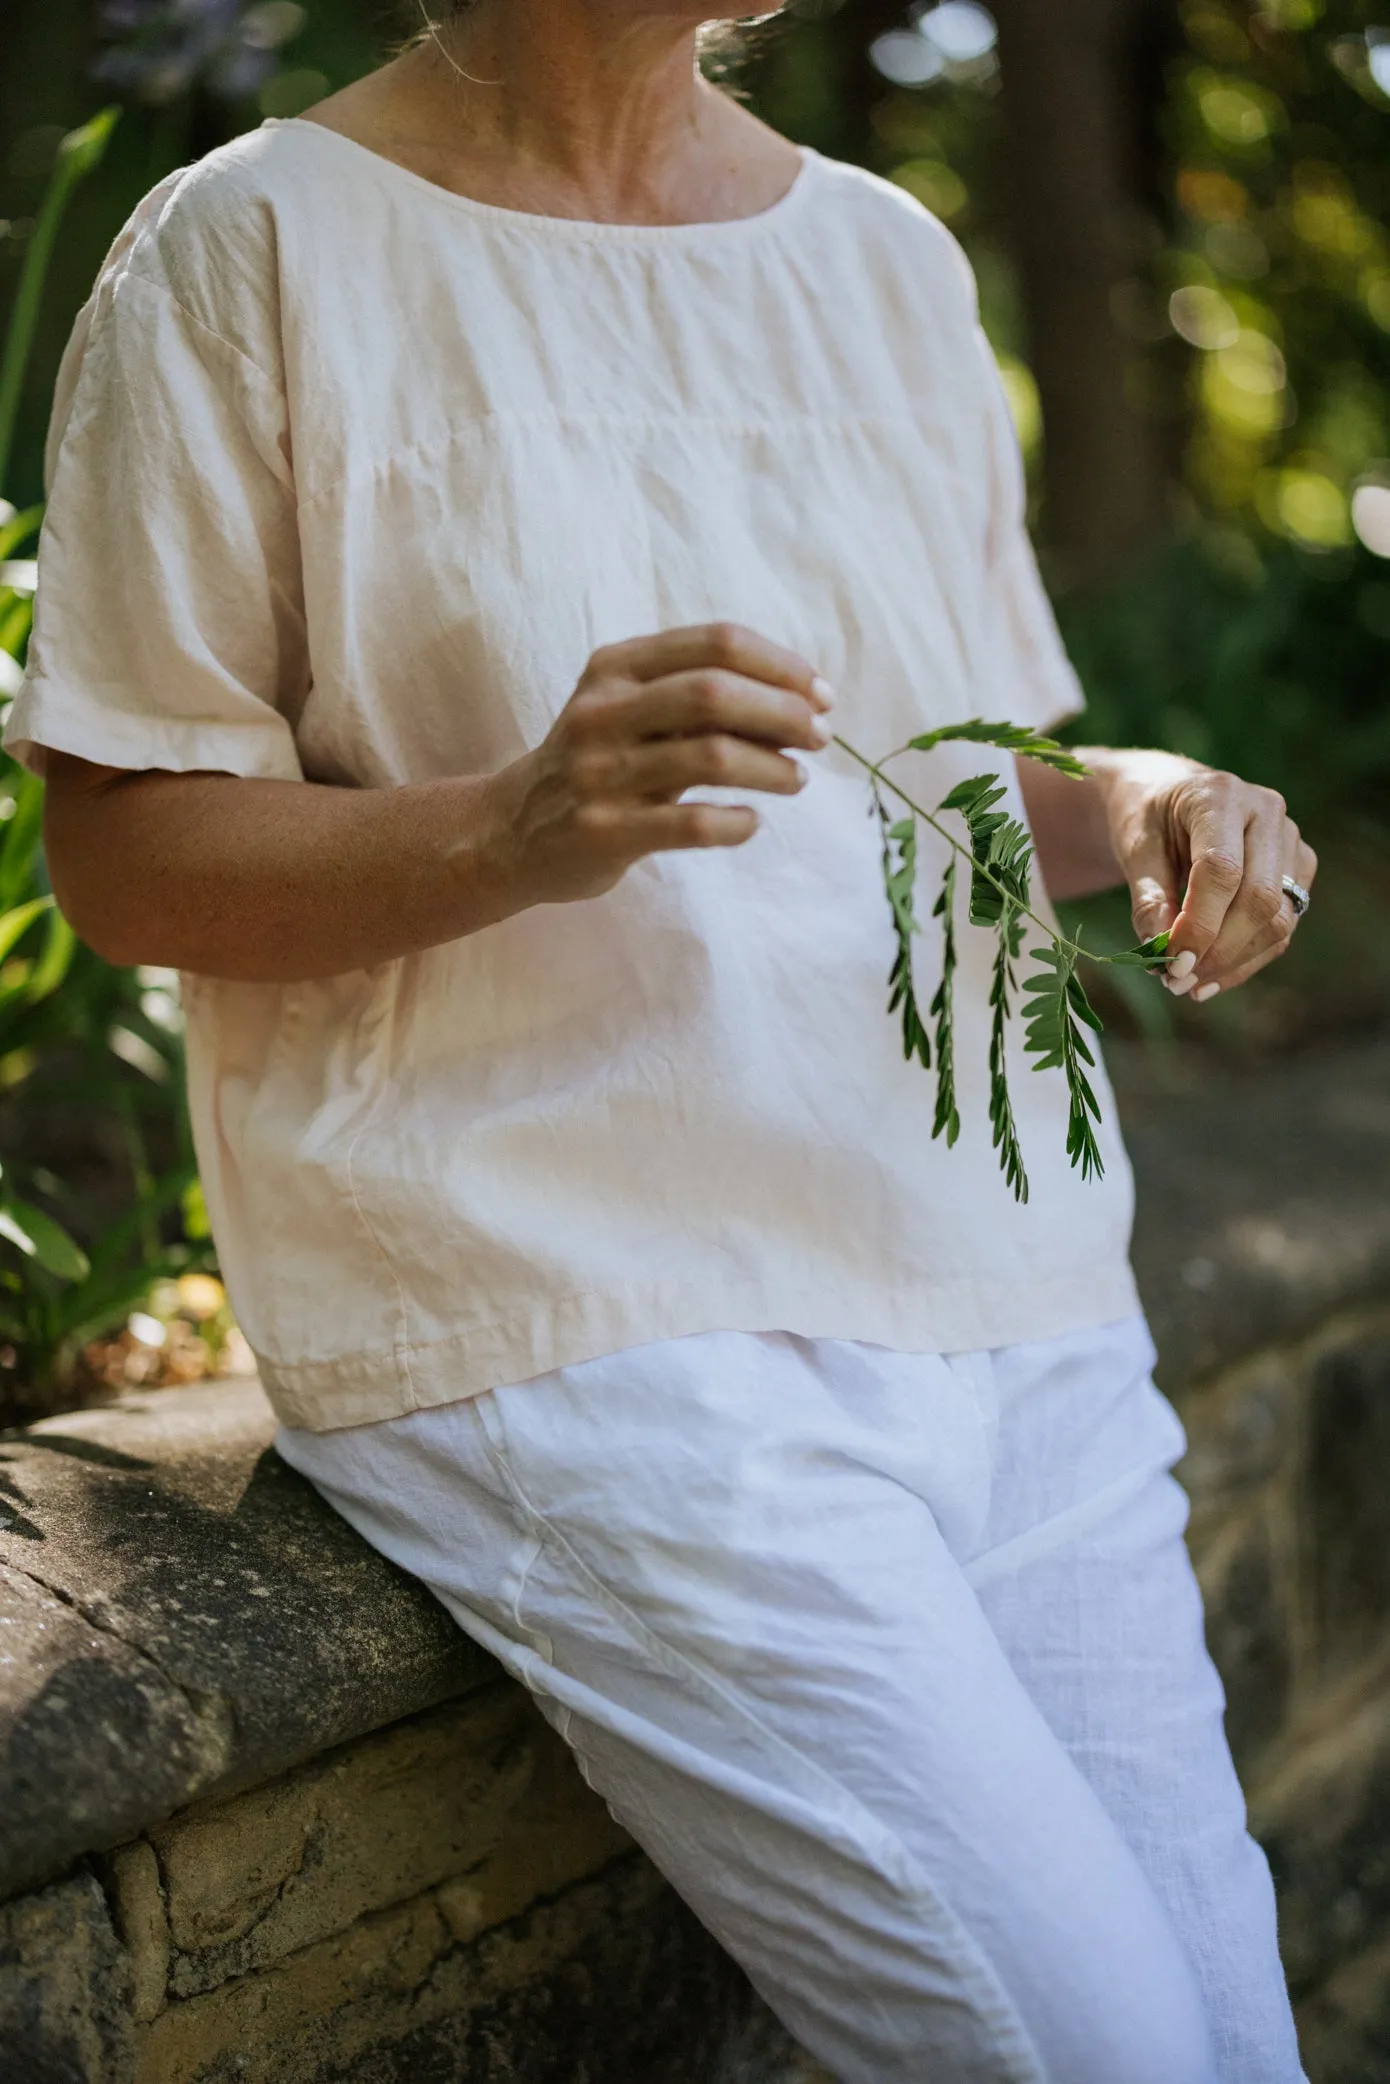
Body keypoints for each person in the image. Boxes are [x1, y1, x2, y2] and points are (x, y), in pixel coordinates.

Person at [11, 2, 1315, 2076]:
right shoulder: (248, 247)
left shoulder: (883, 254)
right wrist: (509, 826)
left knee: (1226, 2041)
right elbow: (124, 853)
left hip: (1002, 1285)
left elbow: (967, 773)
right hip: (570, 1311)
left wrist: (1152, 795)